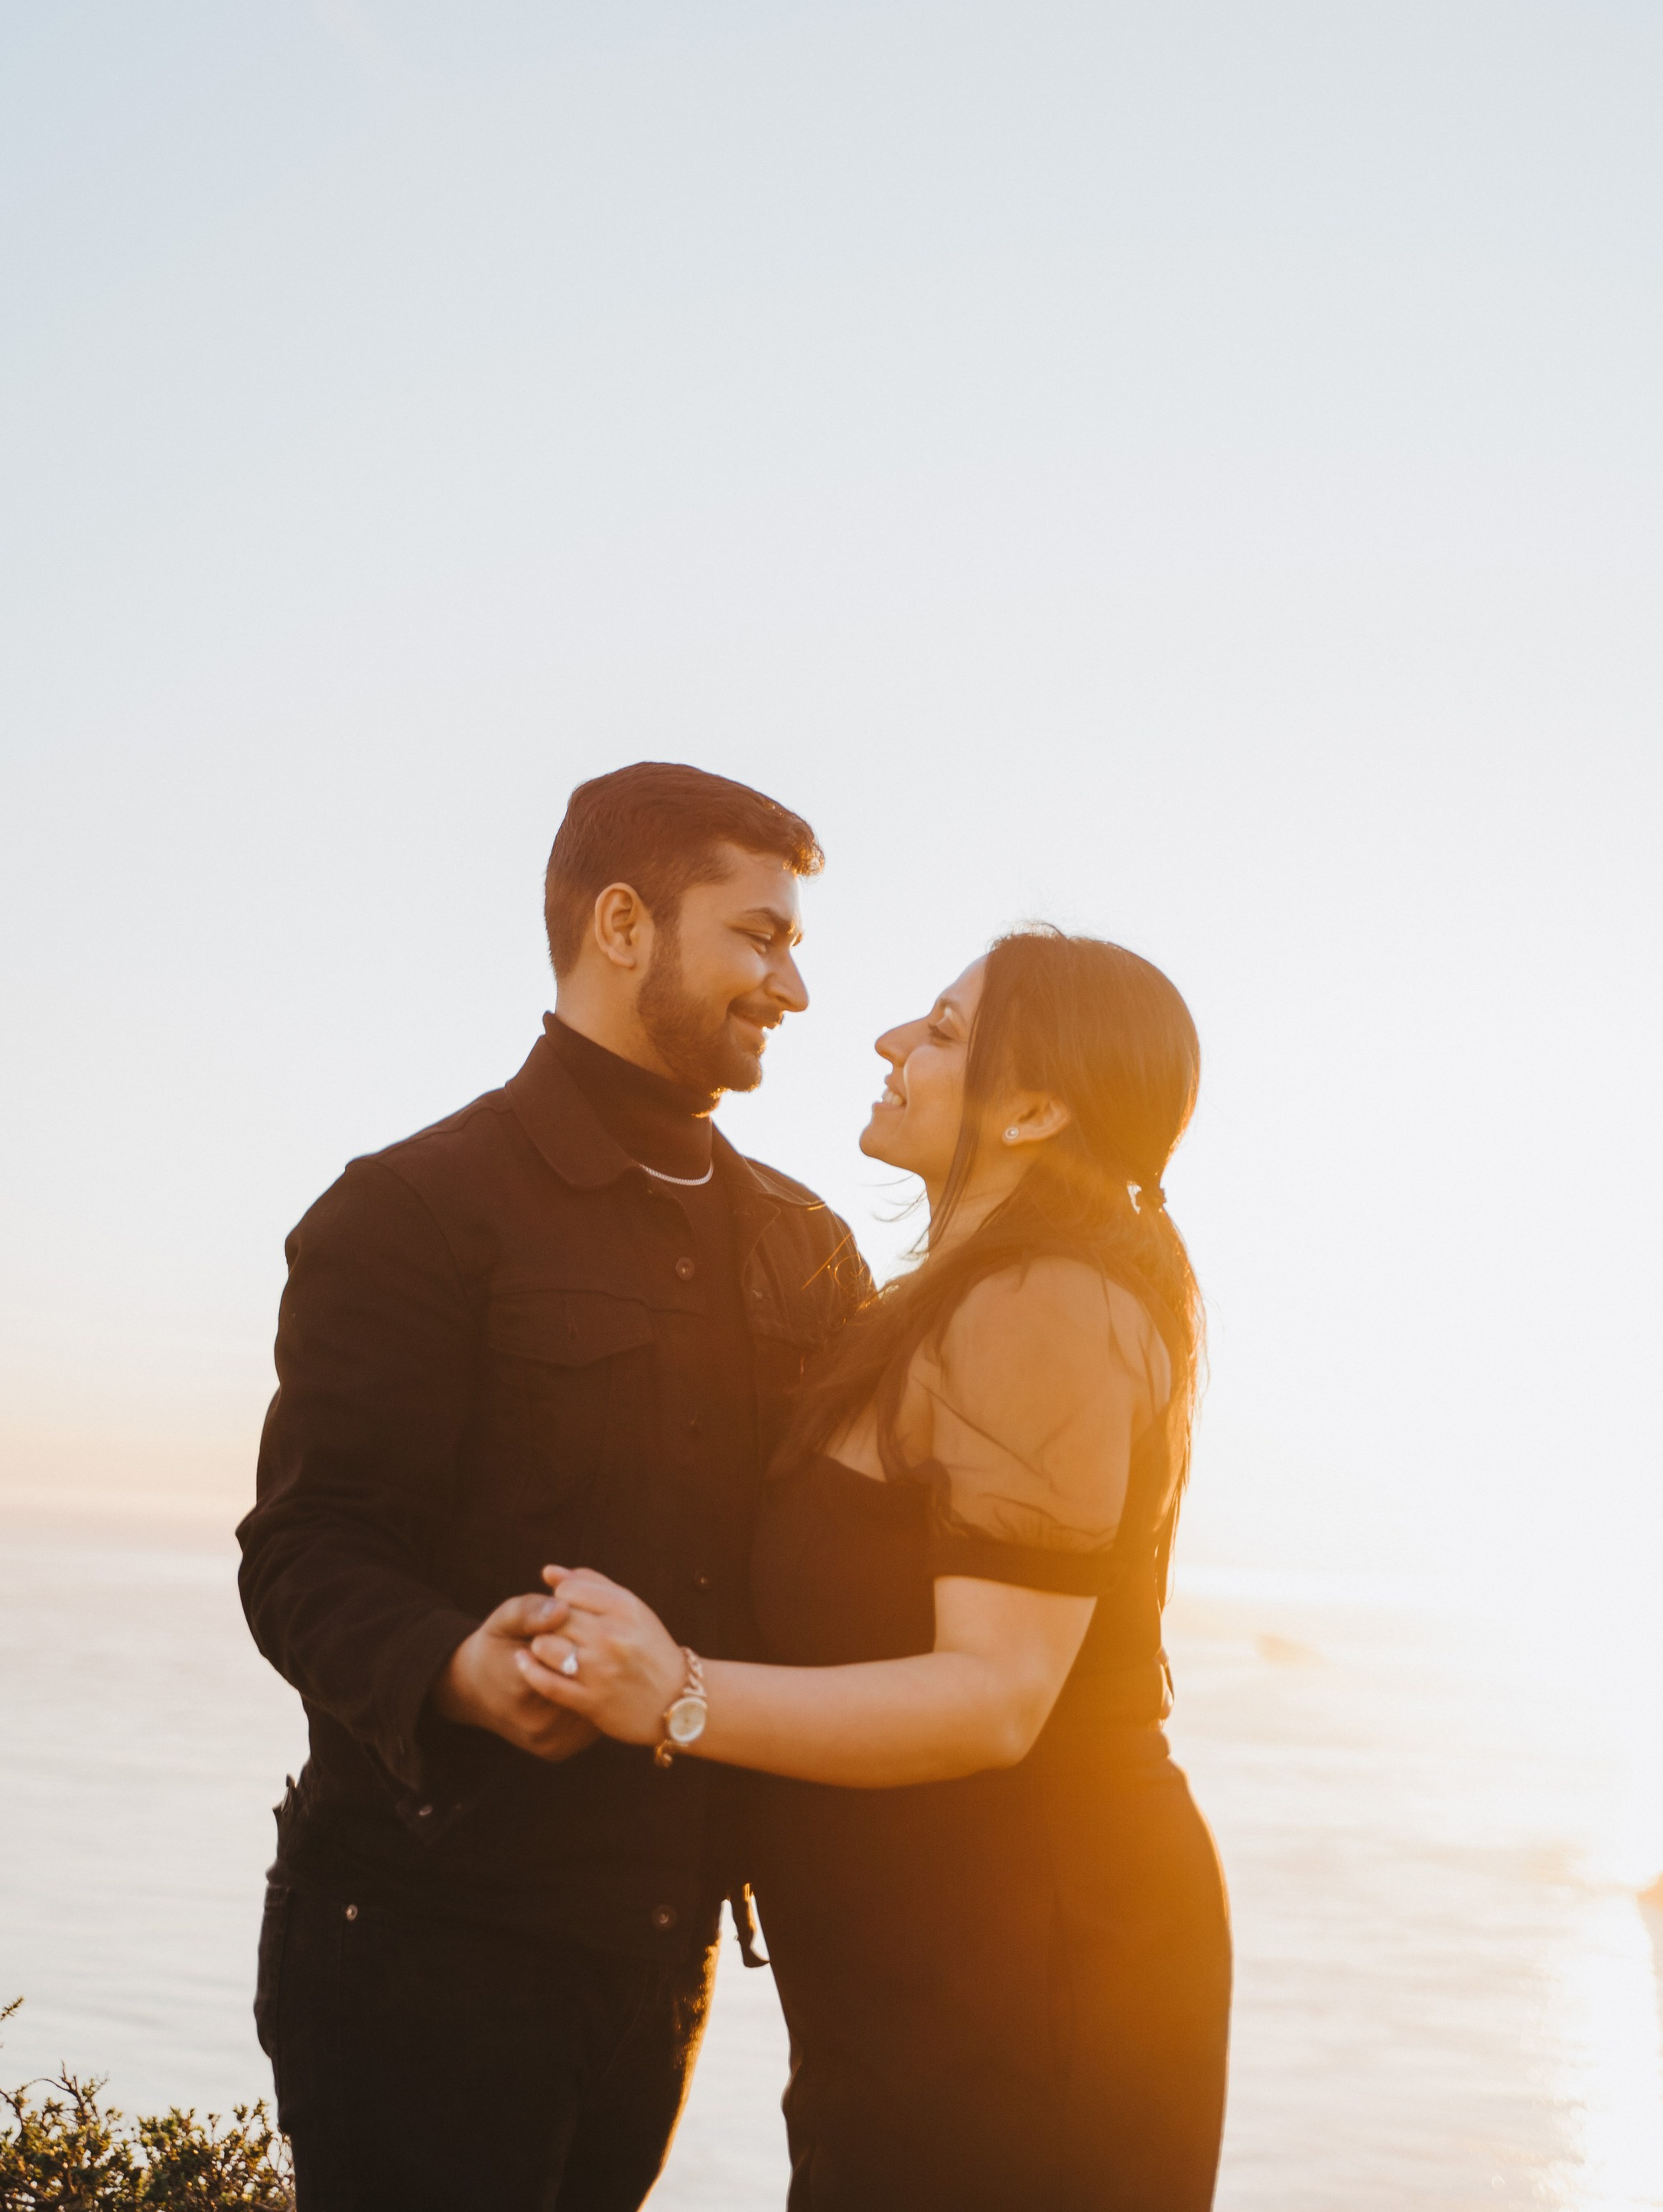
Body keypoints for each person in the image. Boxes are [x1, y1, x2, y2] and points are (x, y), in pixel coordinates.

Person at [518, 925, 1233, 2212]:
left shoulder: (1046, 1303)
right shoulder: (940, 1306)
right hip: (917, 1956)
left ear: (1033, 1109)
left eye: (946, 1032)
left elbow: (998, 1695)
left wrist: (677, 1693)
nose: (894, 1044)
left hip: (1035, 1964)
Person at [236, 763, 868, 2212]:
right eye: (762, 937)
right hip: (418, 1946)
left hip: (667, 1950)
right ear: (627, 926)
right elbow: (304, 1550)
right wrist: (455, 1666)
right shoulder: (409, 1212)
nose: (795, 987)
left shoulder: (807, 1247)